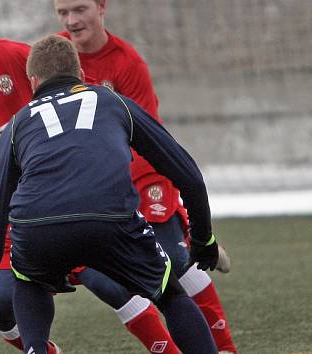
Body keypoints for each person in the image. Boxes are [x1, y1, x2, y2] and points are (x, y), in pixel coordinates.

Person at [0, 0, 177, 352]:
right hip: (11, 221)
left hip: (63, 197)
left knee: (113, 286)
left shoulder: (14, 57)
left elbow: (82, 92)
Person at [0, 34, 220, 354]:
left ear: (32, 82)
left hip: (39, 228)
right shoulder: (113, 101)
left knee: (30, 283)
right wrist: (204, 239)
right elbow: (188, 174)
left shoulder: (18, 124)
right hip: (110, 219)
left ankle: (36, 348)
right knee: (171, 296)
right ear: (81, 76)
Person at [53, 0, 237, 352]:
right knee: (110, 283)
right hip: (91, 188)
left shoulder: (127, 62)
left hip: (142, 175)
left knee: (170, 264)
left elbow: (145, 140)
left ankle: (225, 346)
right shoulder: (56, 56)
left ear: (101, 6)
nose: (72, 20)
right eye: (63, 12)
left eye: (79, 9)